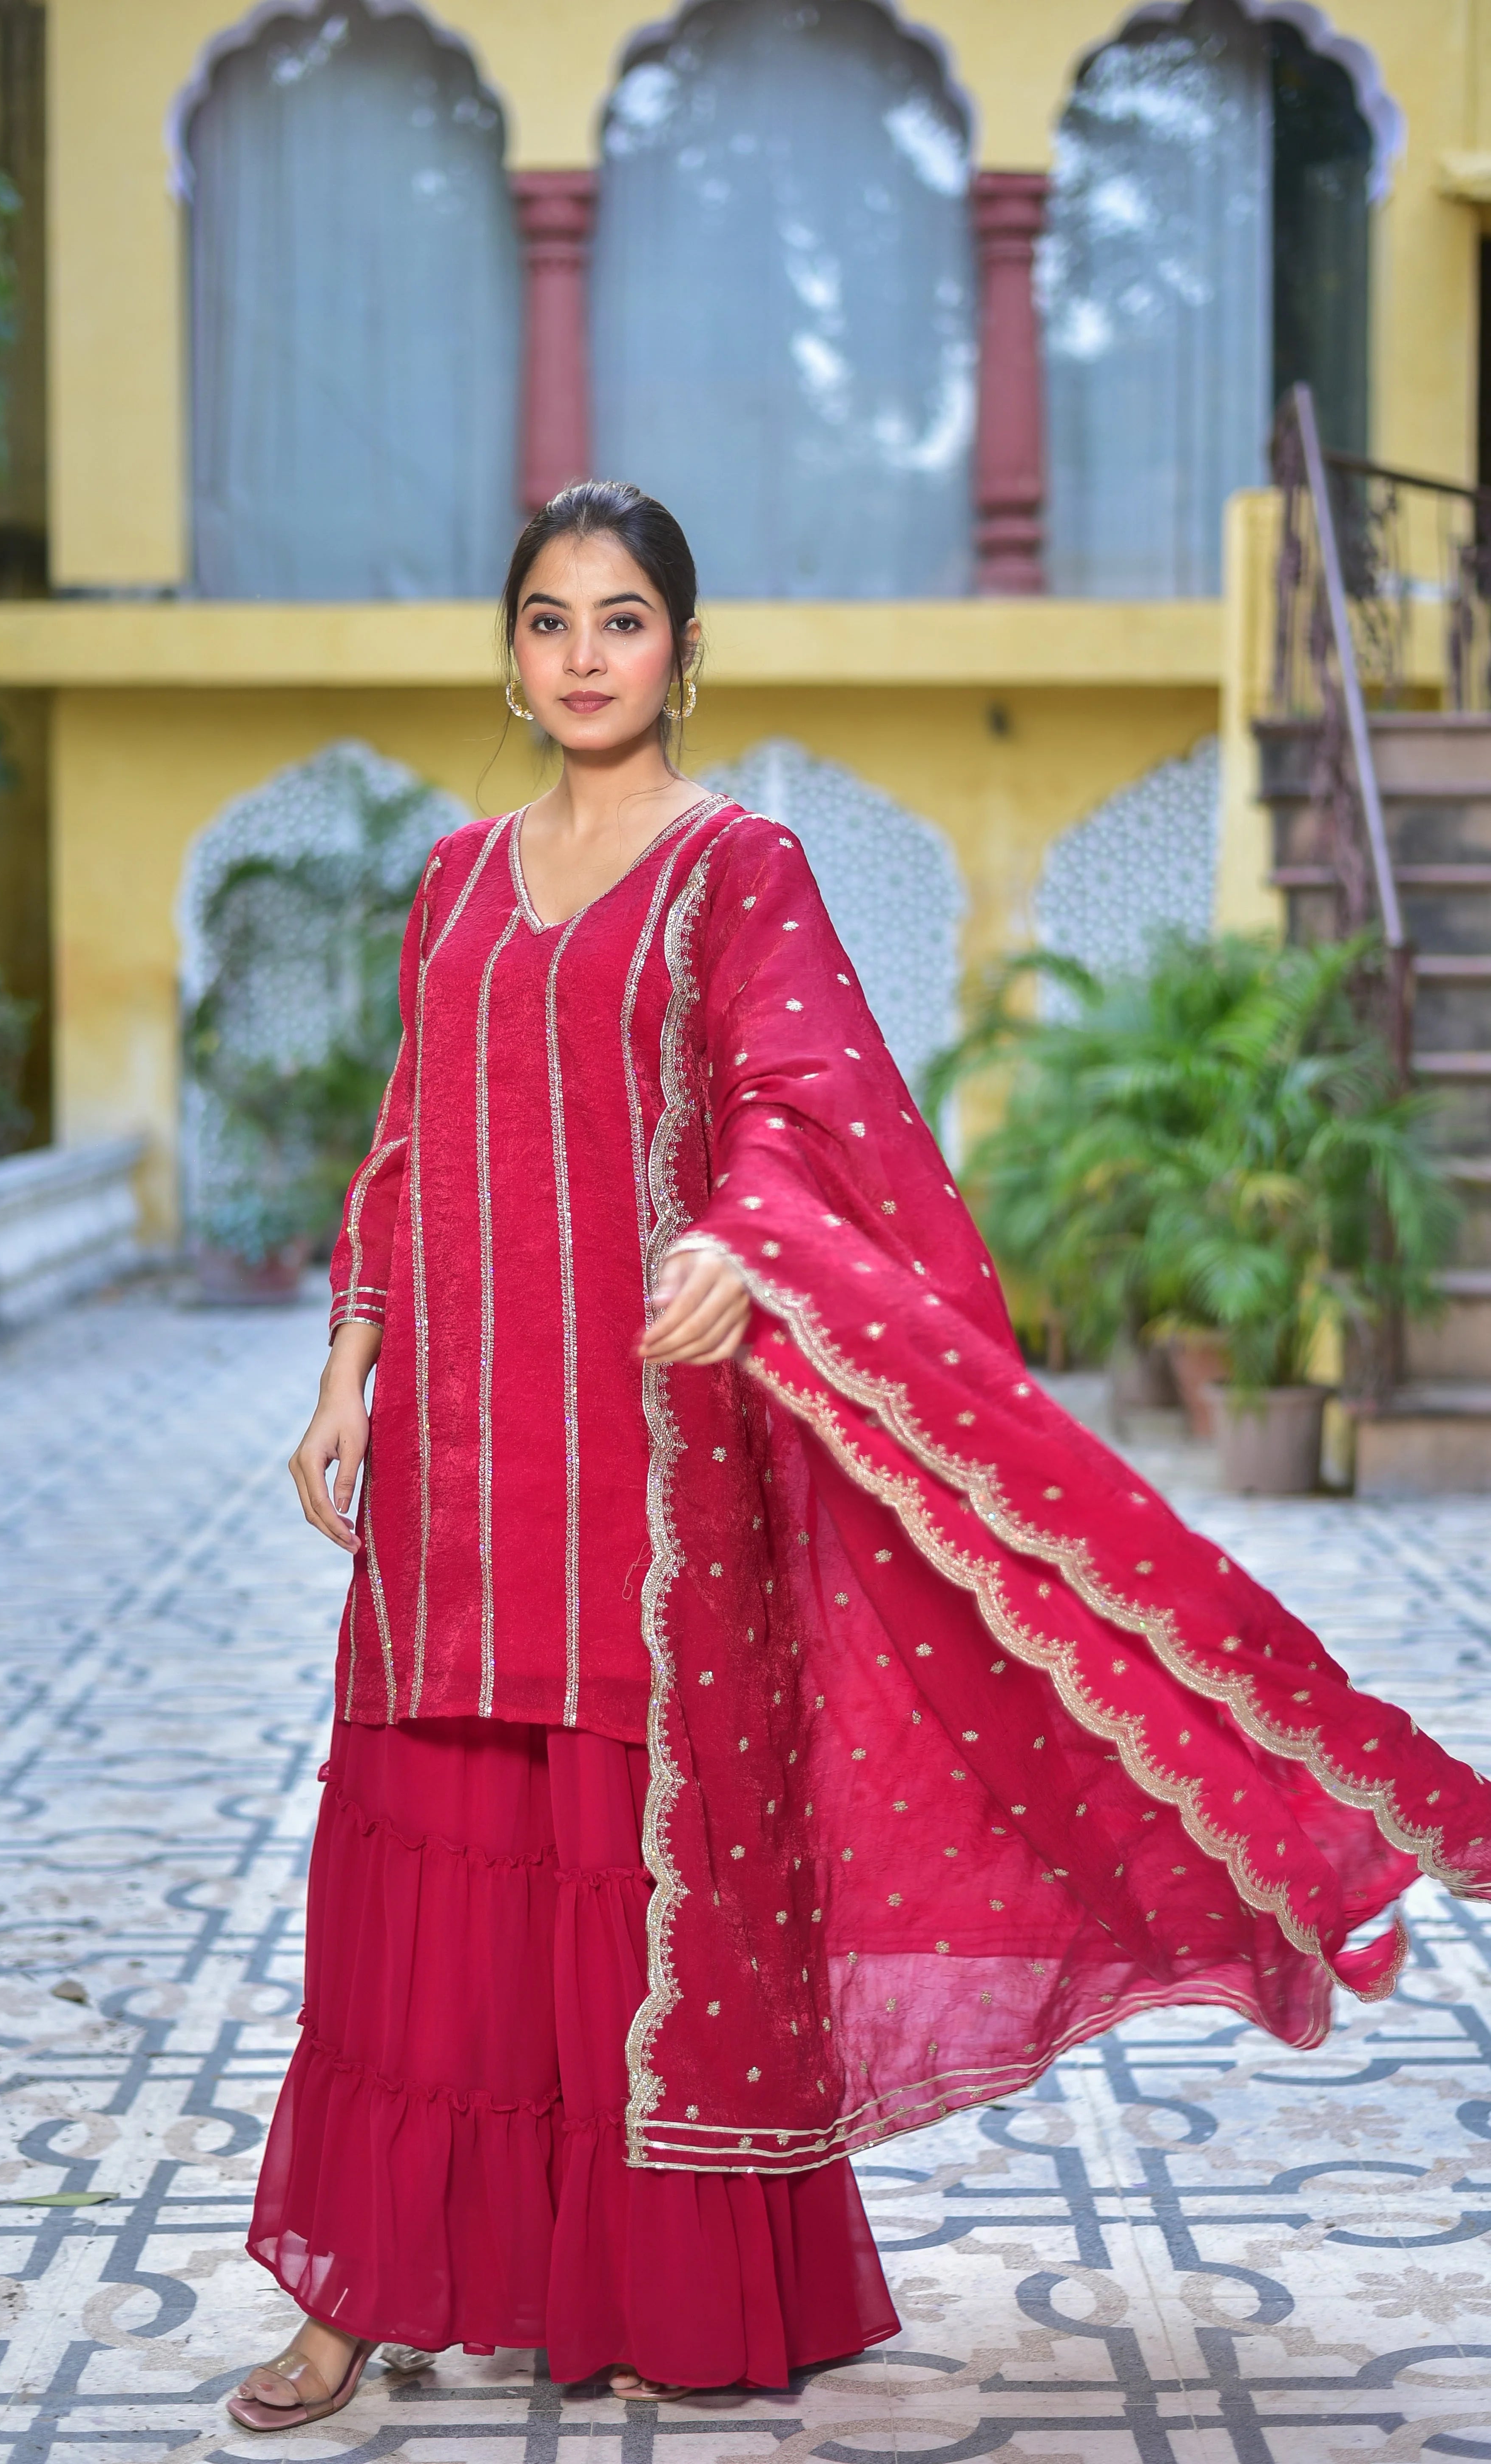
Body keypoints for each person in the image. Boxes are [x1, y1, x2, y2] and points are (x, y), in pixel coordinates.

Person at [228, 481, 1491, 2432]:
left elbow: (806, 1104)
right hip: (459, 1479)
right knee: (427, 1874)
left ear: (685, 650)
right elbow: (407, 1141)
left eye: (622, 619)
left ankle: (650, 2278)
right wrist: (353, 1358)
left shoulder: (735, 868)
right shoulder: (459, 881)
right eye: (551, 621)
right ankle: (363, 2290)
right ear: (510, 651)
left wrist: (742, 1239)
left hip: (647, 1467)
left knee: (624, 1866)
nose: (583, 656)